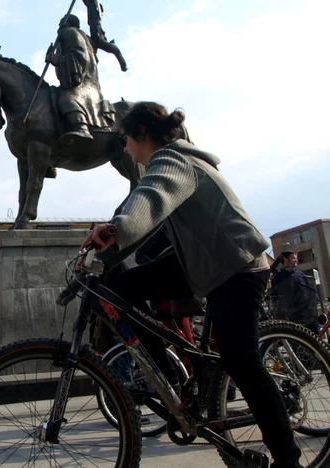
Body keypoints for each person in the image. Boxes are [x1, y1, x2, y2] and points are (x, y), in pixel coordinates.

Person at [81, 101, 302, 467]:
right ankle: (170, 379)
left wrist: (115, 228)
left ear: (140, 135)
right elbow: (147, 224)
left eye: (125, 139)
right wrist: (102, 258)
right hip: (205, 261)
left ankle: (289, 460)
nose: (124, 148)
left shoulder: (172, 160)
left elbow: (149, 198)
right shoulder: (171, 161)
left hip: (237, 264)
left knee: (241, 360)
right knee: (122, 289)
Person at [45, 14, 112, 147]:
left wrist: (58, 60)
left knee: (67, 99)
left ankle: (81, 127)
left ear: (67, 23)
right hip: (84, 82)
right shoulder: (72, 35)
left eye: (61, 23)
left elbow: (79, 56)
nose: (59, 26)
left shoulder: (70, 33)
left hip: (84, 83)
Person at [270, 251, 320, 332]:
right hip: (292, 318)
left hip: (308, 315)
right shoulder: (278, 278)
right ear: (286, 260)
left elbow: (309, 290)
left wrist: (316, 300)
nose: (296, 260)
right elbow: (277, 299)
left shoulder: (300, 274)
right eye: (293, 258)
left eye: (296, 258)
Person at [83, 0, 128, 71]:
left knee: (113, 49)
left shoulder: (94, 7)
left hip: (97, 34)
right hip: (95, 32)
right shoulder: (91, 6)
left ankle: (123, 63)